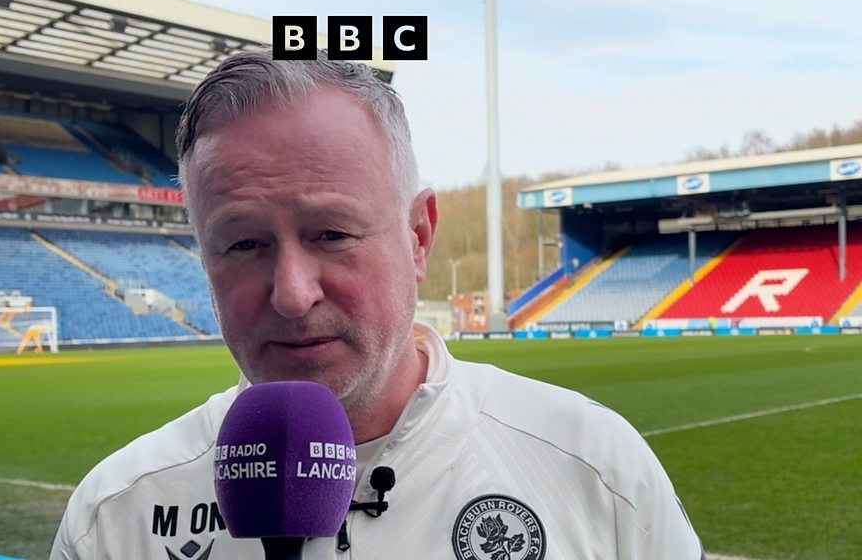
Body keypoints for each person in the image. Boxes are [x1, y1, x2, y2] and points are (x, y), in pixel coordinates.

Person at [50, 48, 703, 560]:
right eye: (243, 244)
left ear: (418, 238)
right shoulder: (116, 517)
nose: (293, 294)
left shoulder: (596, 467)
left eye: (331, 234)